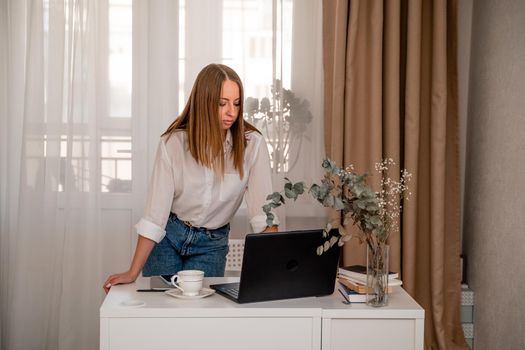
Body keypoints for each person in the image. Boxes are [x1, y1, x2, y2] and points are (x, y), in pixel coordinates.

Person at [103, 64, 279, 293]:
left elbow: (263, 214)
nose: (231, 112)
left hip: (212, 244)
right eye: (222, 103)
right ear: (204, 102)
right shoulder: (173, 144)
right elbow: (155, 216)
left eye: (236, 103)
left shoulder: (252, 145)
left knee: (199, 318)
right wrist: (132, 272)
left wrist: (275, 271)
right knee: (161, 309)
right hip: (169, 237)